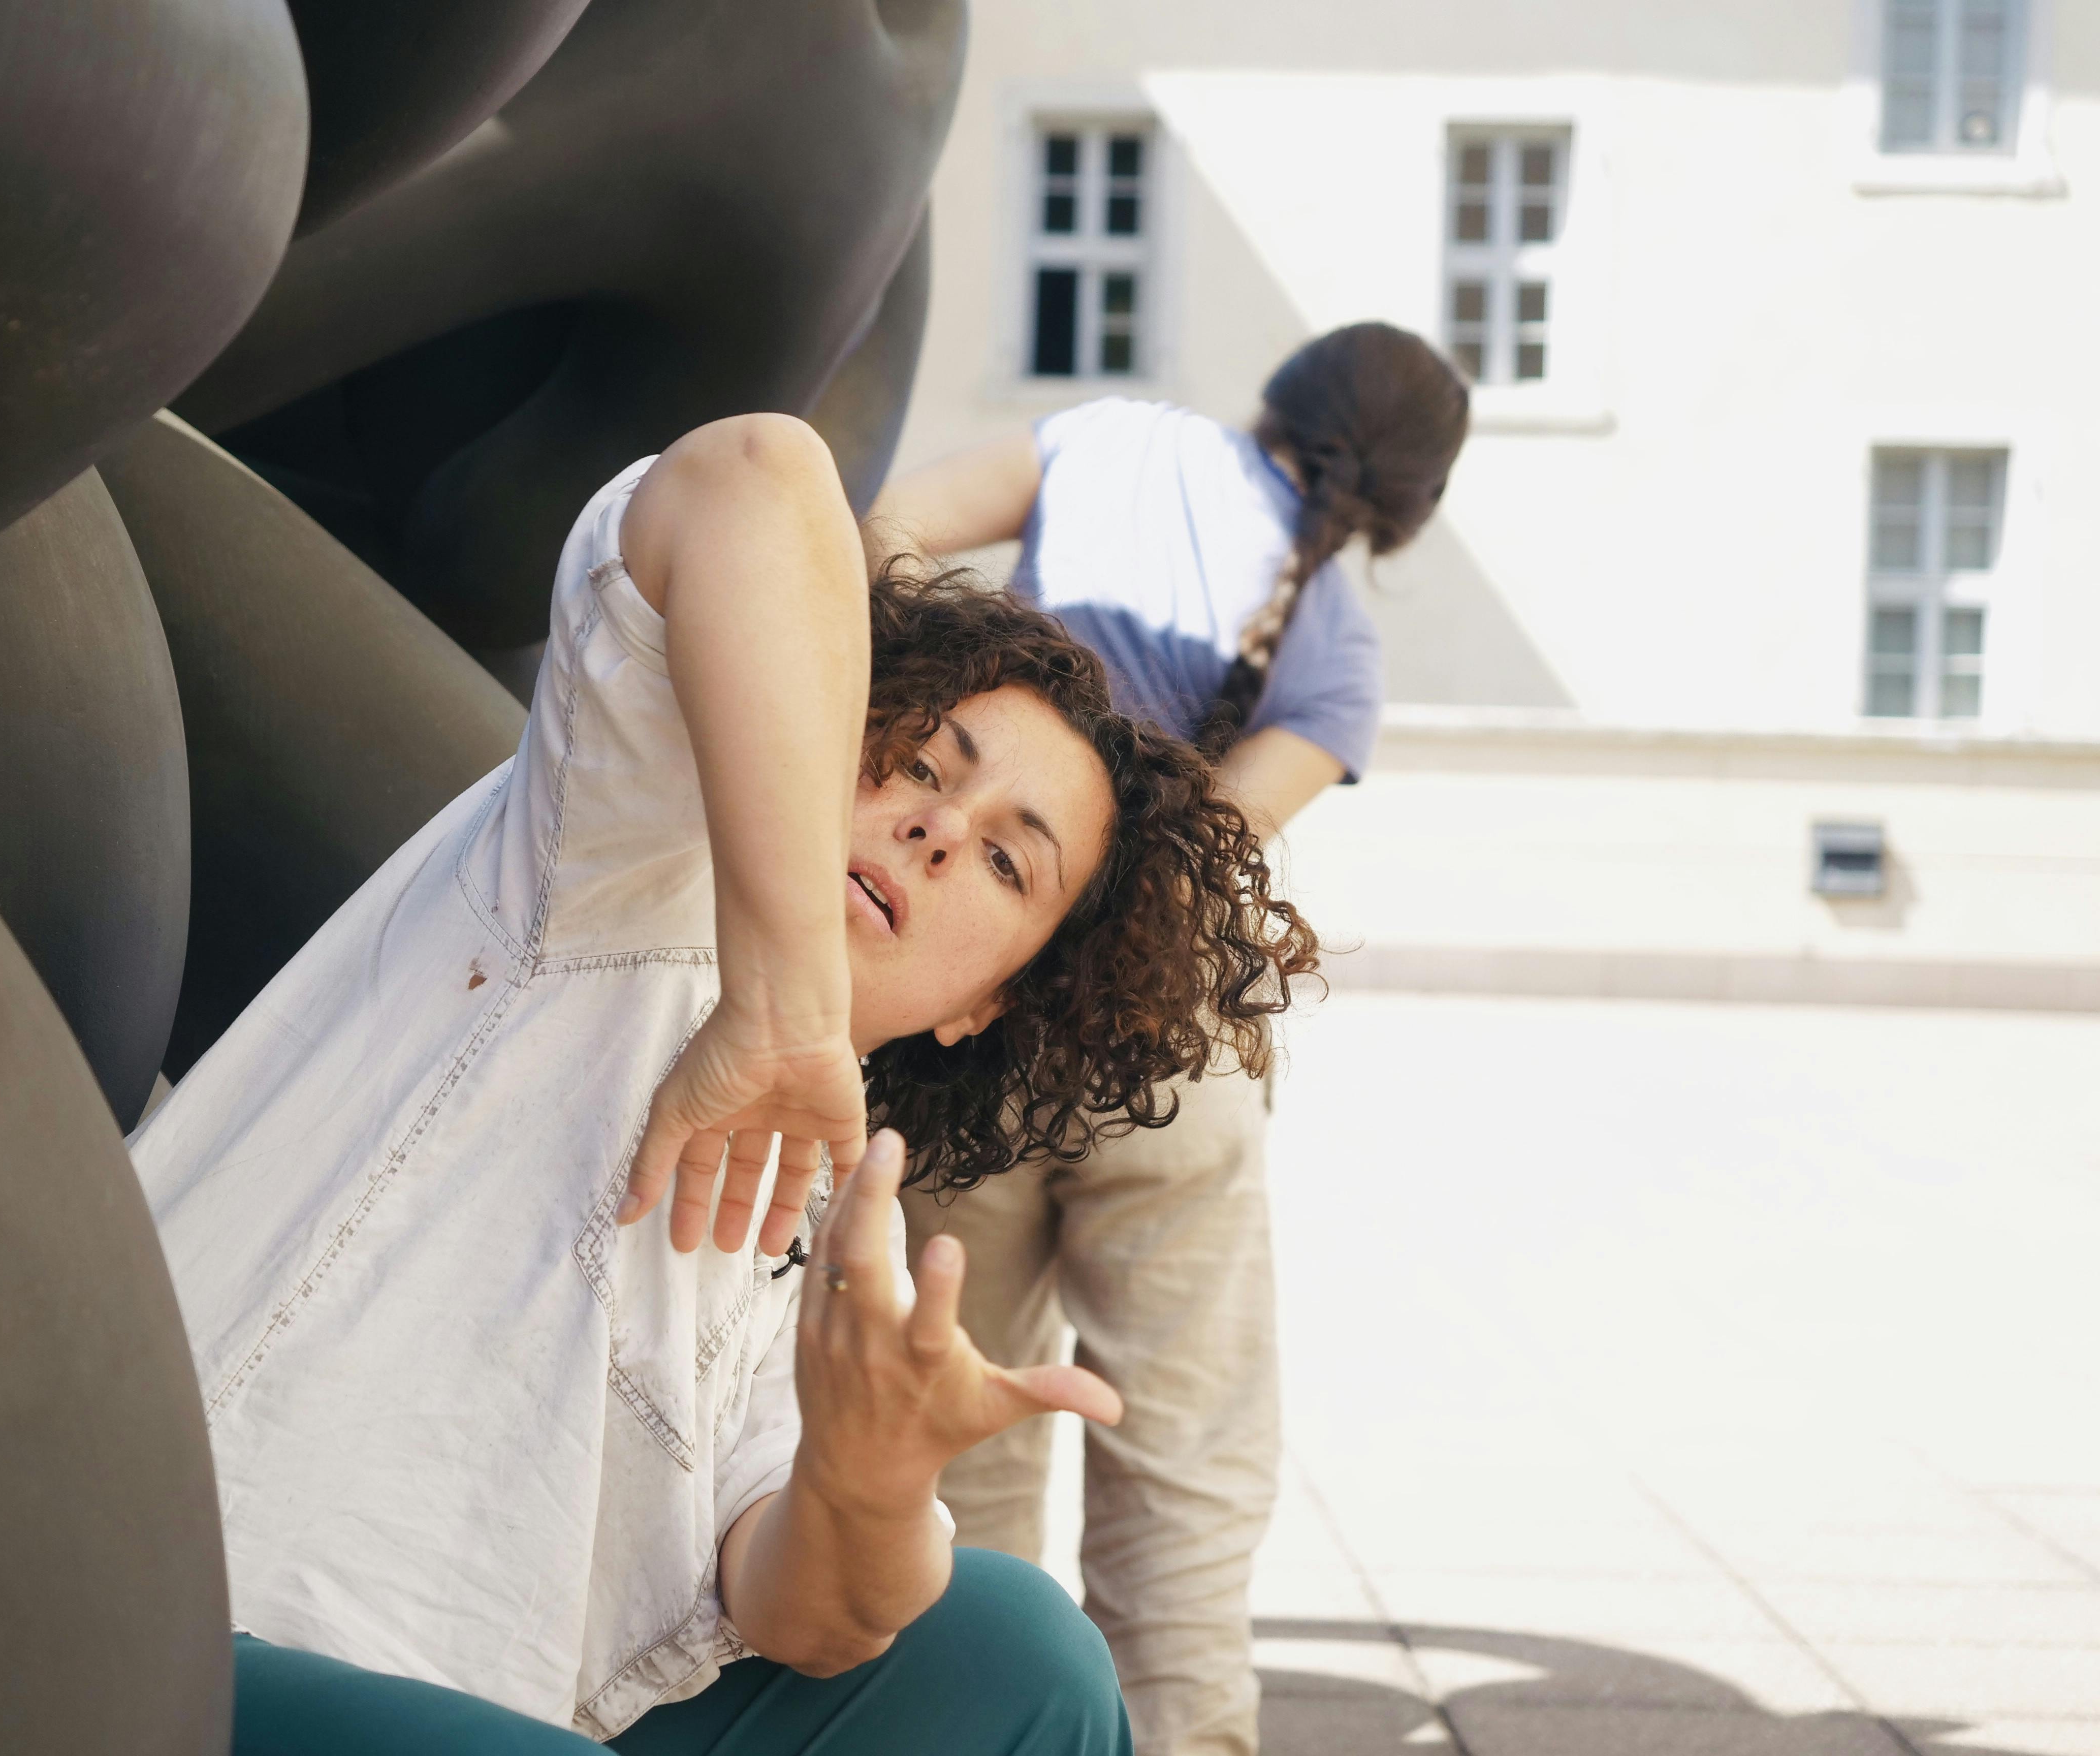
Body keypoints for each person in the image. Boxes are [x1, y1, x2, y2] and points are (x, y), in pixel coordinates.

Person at [129, 412, 1319, 1754]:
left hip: (486, 1712)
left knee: (1013, 1651)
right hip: (142, 1631)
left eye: (1006, 863)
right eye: (923, 765)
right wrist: (780, 1004)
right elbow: (754, 479)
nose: (940, 828)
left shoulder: (814, 1220)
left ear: (990, 1006)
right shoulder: (620, 863)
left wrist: (871, 1483)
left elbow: (806, 1614)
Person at [867, 323, 1471, 1756]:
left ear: (1283, 396)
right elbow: (1196, 868)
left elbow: (877, 532)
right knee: (1186, 1460)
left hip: (979, 1007)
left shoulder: (1108, 439)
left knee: (970, 1428)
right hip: (1170, 1044)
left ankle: (971, 1726)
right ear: (1403, 509)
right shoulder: (1341, 665)